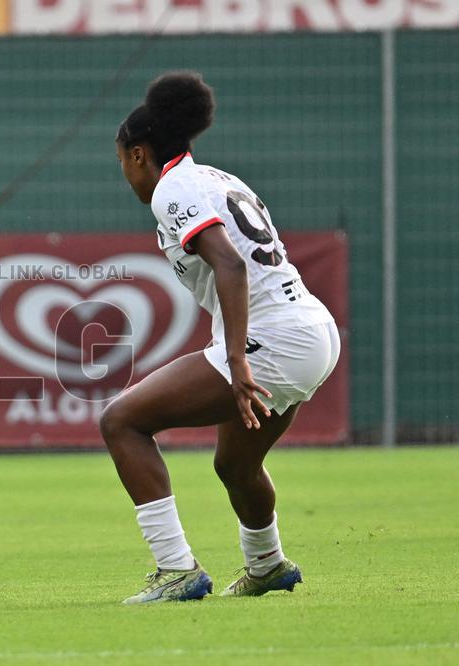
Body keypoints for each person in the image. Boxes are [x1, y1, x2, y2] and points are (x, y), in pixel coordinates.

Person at [103, 70, 339, 603]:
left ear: (138, 154)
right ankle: (267, 565)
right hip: (312, 330)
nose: (125, 173)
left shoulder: (172, 188)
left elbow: (230, 266)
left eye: (121, 160)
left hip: (272, 339)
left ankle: (176, 570)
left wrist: (235, 360)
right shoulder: (217, 178)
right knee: (235, 464)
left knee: (121, 420)